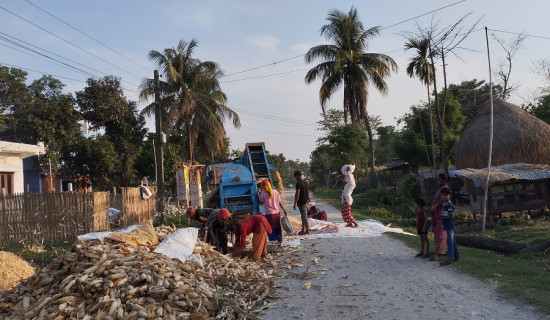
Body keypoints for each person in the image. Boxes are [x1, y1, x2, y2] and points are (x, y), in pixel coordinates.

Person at [430, 173, 448, 261]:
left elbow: (442, 201)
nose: (437, 181)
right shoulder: (441, 189)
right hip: (437, 213)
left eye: (439, 179)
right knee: (438, 232)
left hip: (442, 213)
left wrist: (434, 208)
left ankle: (437, 253)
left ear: (444, 180)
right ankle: (441, 251)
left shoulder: (445, 189)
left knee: (440, 232)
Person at [439, 187, 459, 266]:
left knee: (449, 242)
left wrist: (441, 217)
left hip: (449, 225)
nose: (443, 197)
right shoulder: (445, 204)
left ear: (450, 195)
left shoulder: (449, 205)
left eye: (445, 195)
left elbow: (451, 216)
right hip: (447, 225)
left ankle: (449, 258)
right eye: (442, 195)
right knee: (452, 241)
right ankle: (456, 256)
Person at [293, 171, 310, 235]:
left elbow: (297, 194)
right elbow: (308, 192)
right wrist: (307, 199)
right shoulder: (305, 182)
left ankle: (307, 230)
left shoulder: (298, 183)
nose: (295, 178)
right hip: (306, 201)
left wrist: (295, 203)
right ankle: (303, 230)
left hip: (301, 202)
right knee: (303, 216)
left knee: (304, 216)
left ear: (297, 176)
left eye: (295, 177)